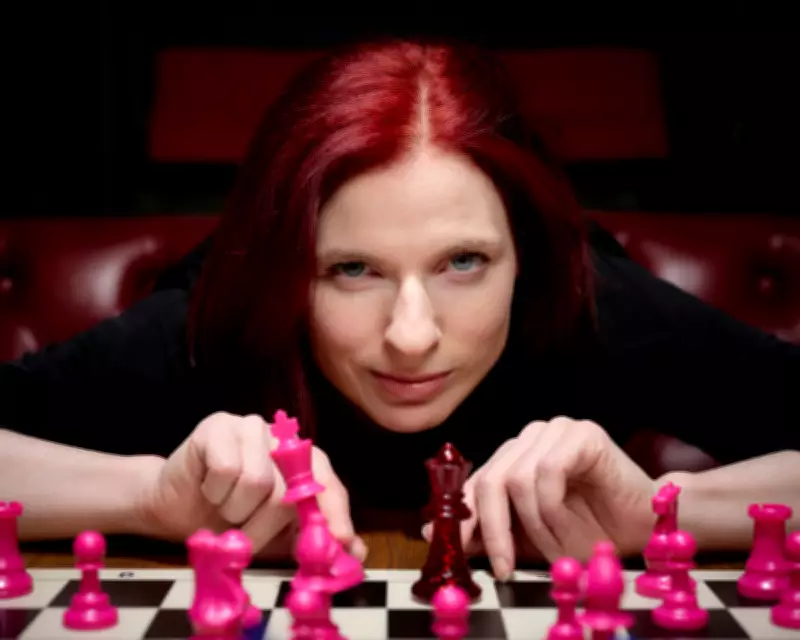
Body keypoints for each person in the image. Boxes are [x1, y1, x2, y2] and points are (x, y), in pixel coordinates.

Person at [1, 39, 797, 579]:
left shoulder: (591, 302)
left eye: (463, 263)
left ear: (524, 253)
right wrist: (149, 498)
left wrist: (658, 514)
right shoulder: (214, 320)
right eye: (352, 269)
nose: (411, 336)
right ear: (288, 269)